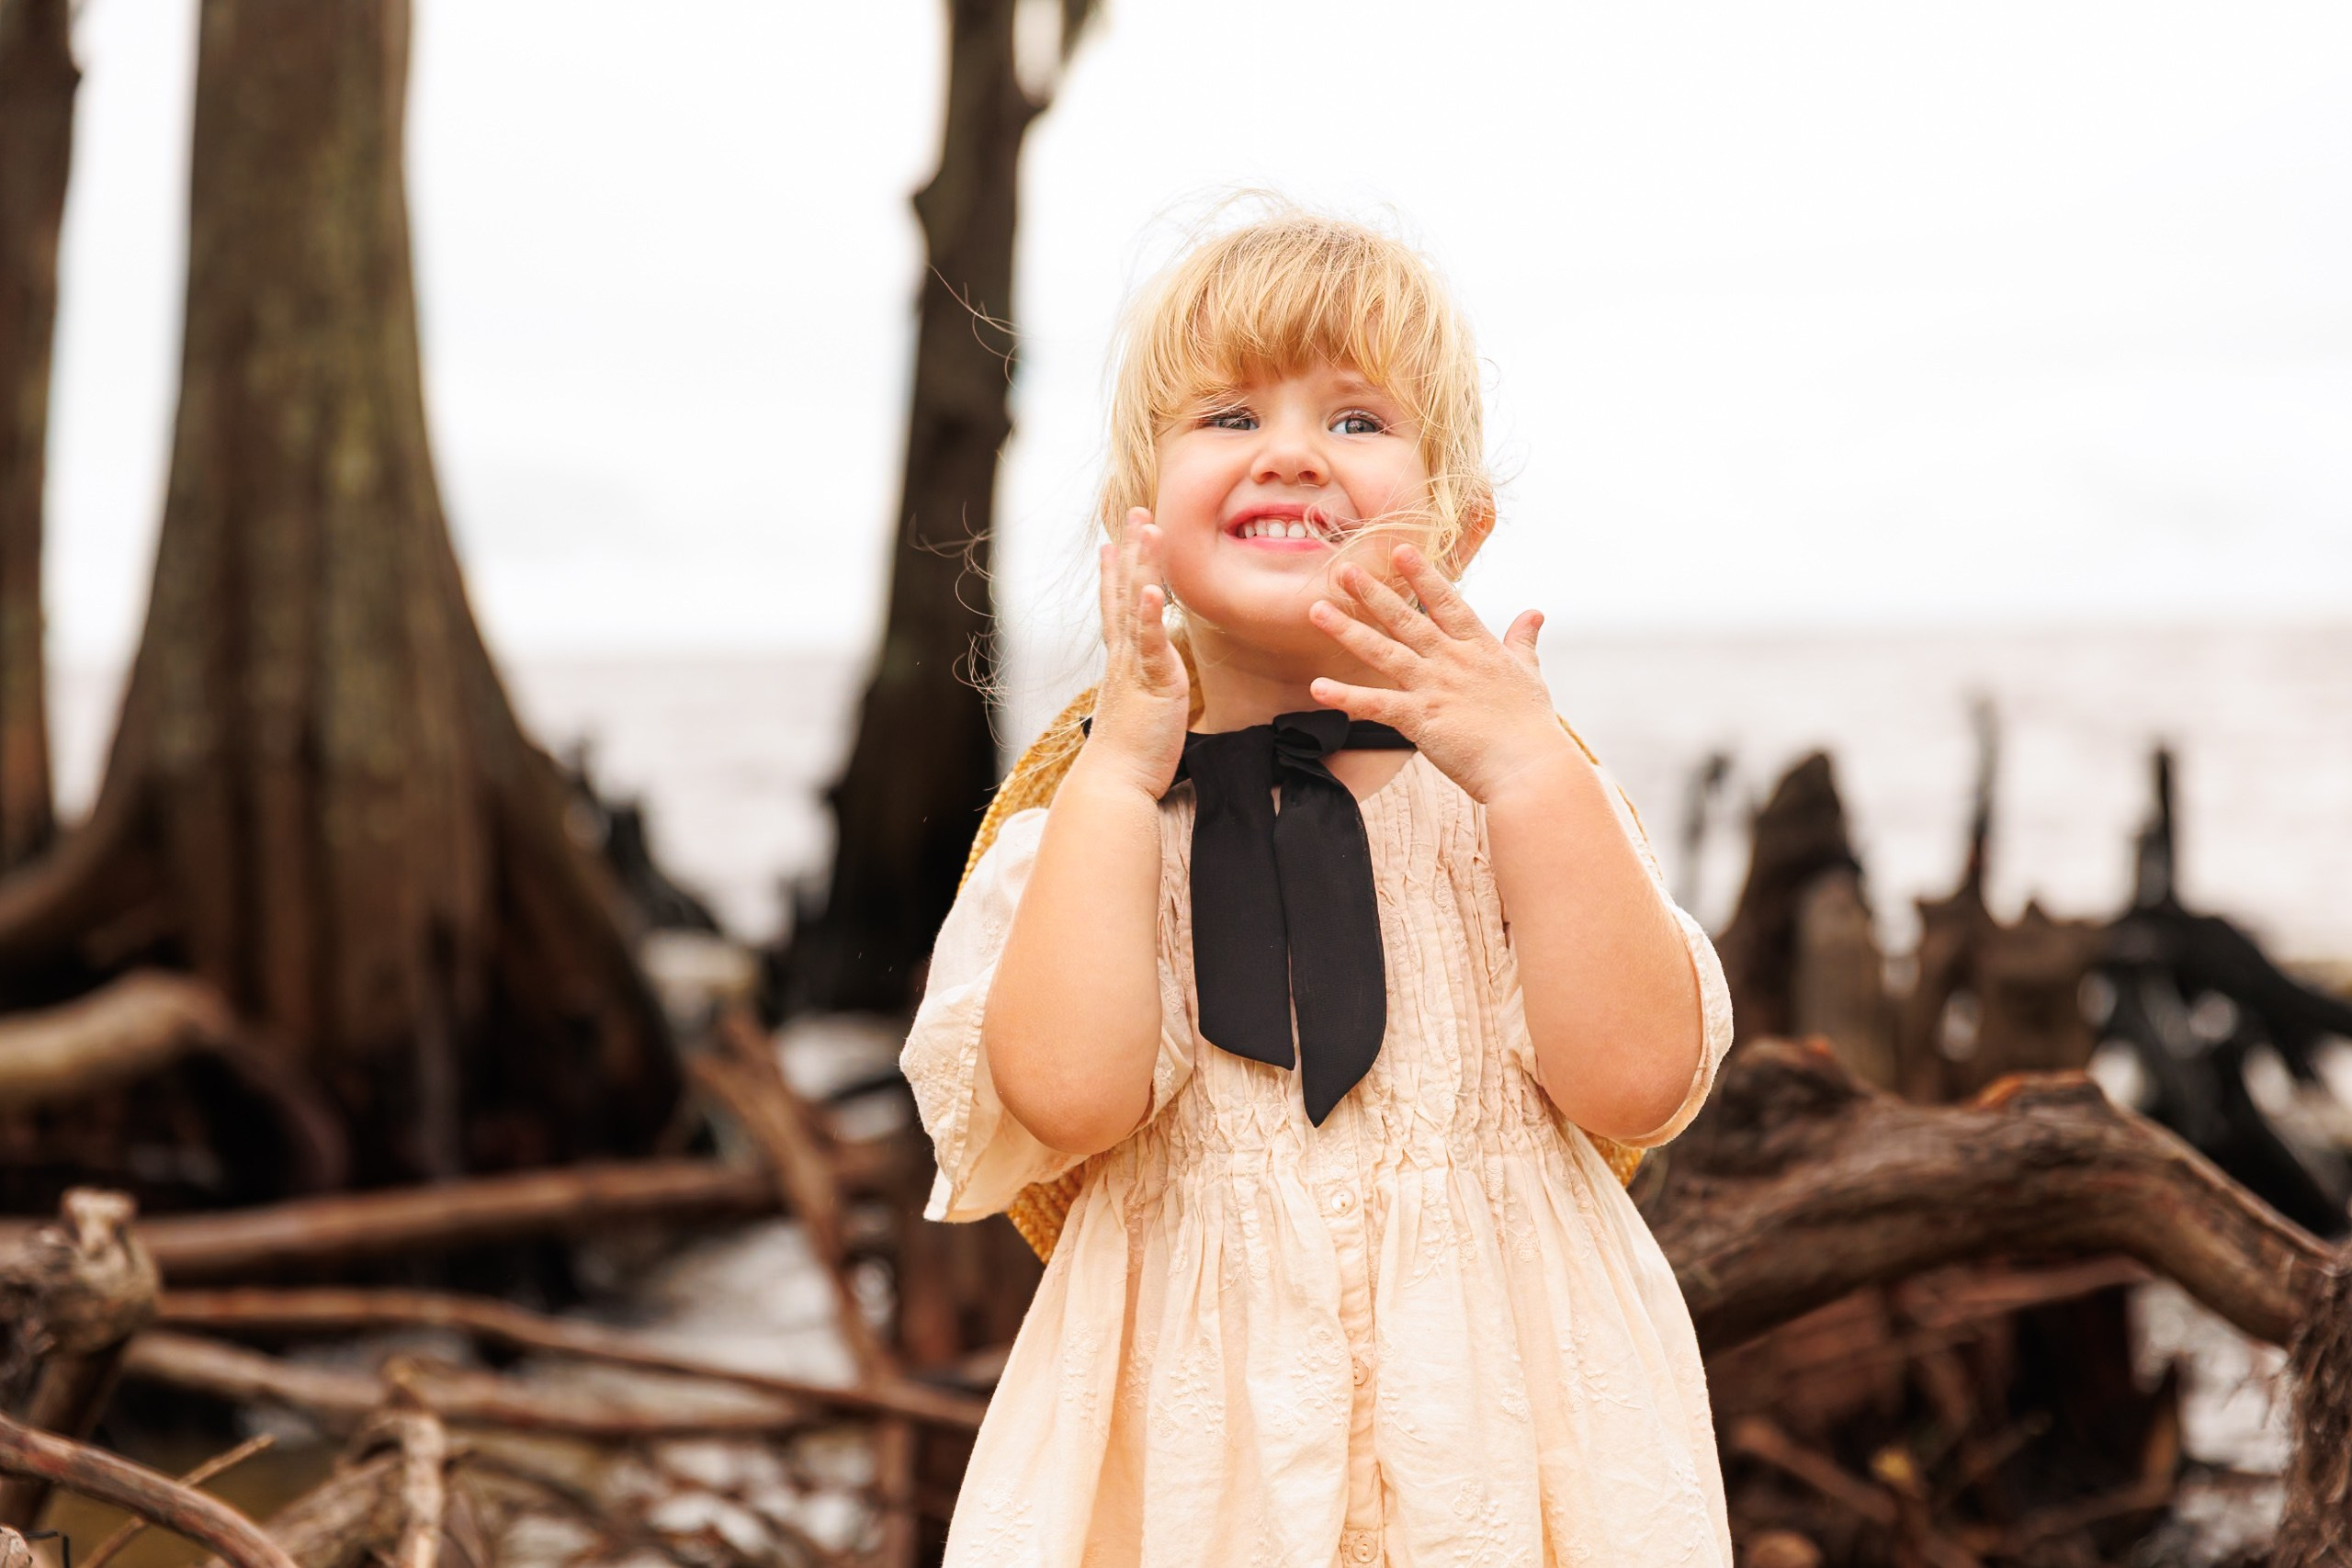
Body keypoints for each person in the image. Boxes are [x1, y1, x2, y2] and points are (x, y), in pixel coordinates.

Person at [900, 209, 1736, 1566]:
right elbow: (1068, 1097)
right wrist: (1115, 781)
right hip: (1195, 1472)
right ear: (1137, 520)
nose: (1289, 451)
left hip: (1507, 1449)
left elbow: (1638, 1083)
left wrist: (1530, 772)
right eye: (1228, 415)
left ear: (1457, 527)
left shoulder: (1518, 806)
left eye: (1356, 420)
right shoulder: (1093, 826)